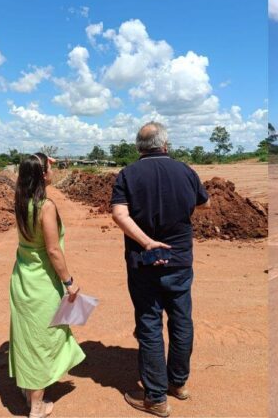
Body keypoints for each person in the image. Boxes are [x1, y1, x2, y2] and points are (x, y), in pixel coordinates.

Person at [111, 122, 210, 417]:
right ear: (165, 144)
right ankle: (178, 384)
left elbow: (119, 214)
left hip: (143, 262)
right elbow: (204, 204)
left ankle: (156, 398)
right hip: (179, 260)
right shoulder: (186, 172)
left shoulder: (127, 175)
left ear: (138, 147)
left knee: (149, 323)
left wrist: (146, 242)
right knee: (181, 320)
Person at [9, 153, 85, 418]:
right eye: (50, 168)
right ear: (43, 175)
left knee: (27, 337)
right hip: (42, 284)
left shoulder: (21, 201)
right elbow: (53, 250)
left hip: (22, 280)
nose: (53, 171)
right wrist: (69, 282)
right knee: (43, 339)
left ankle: (28, 388)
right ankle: (37, 406)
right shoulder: (46, 206)